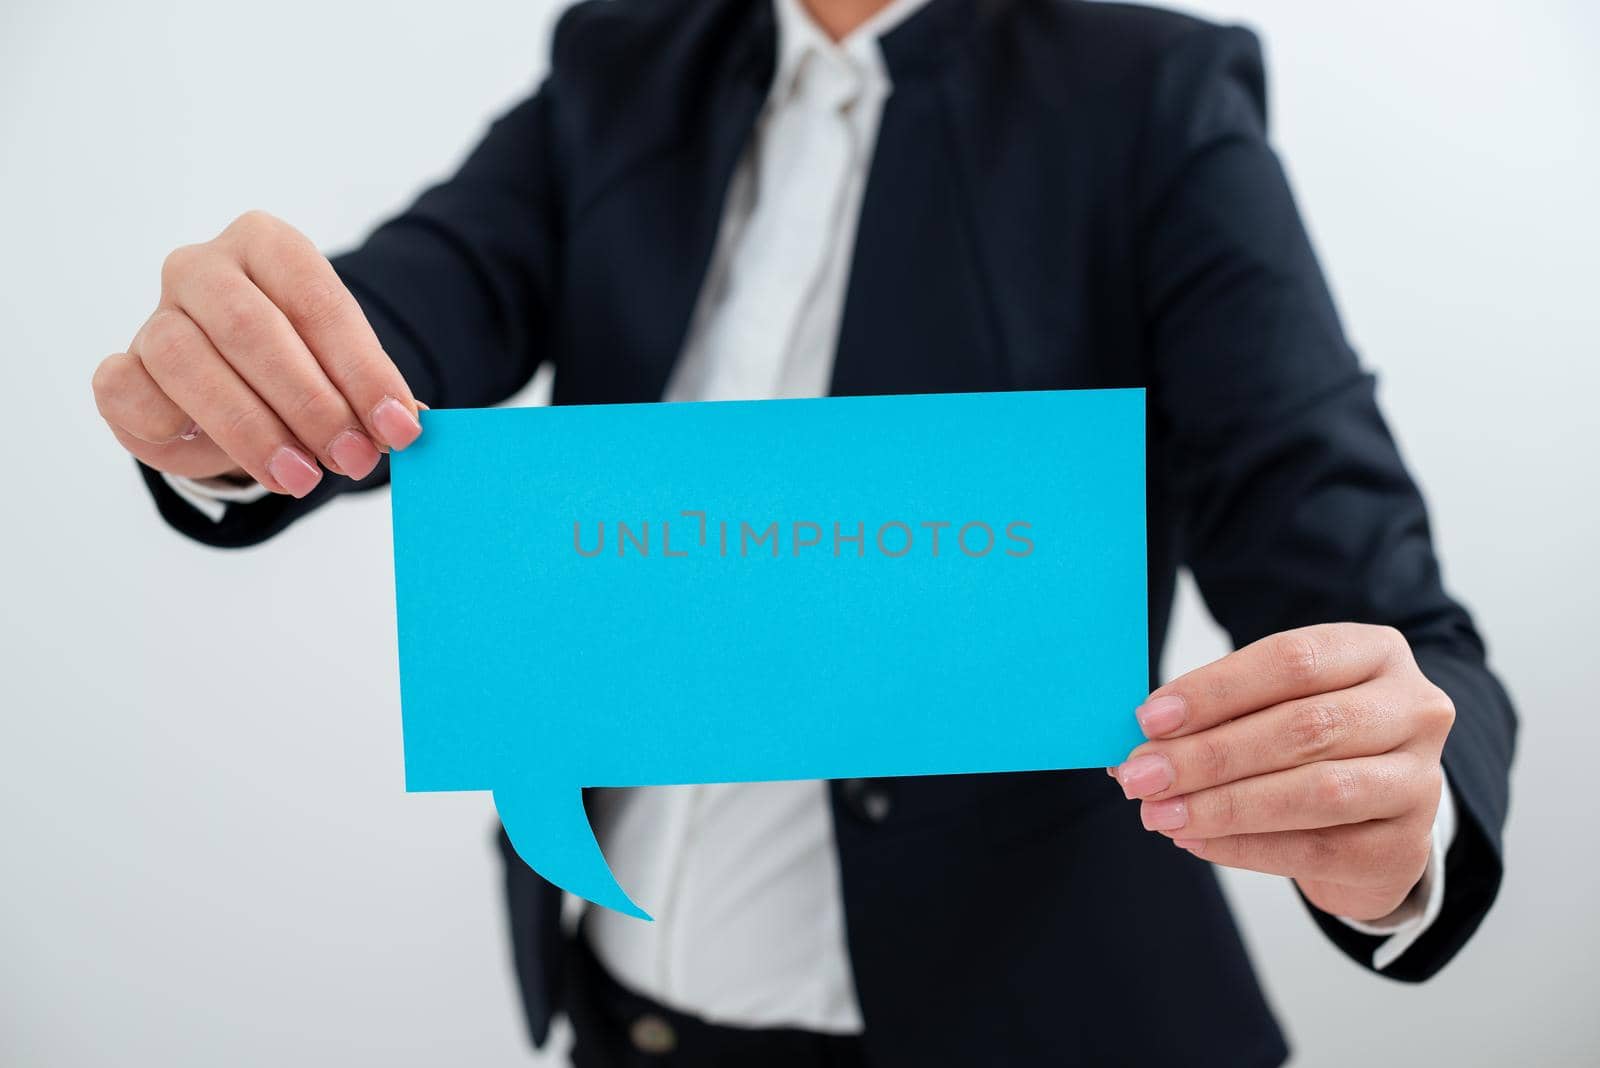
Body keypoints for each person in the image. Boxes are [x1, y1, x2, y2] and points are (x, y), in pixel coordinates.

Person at [89, 0, 1516, 1064]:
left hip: (1023, 1026)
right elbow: (408, 315)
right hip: (629, 1022)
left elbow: (1375, 596)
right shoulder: (619, 60)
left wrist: (1407, 801)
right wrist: (245, 386)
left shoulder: (1148, 96)